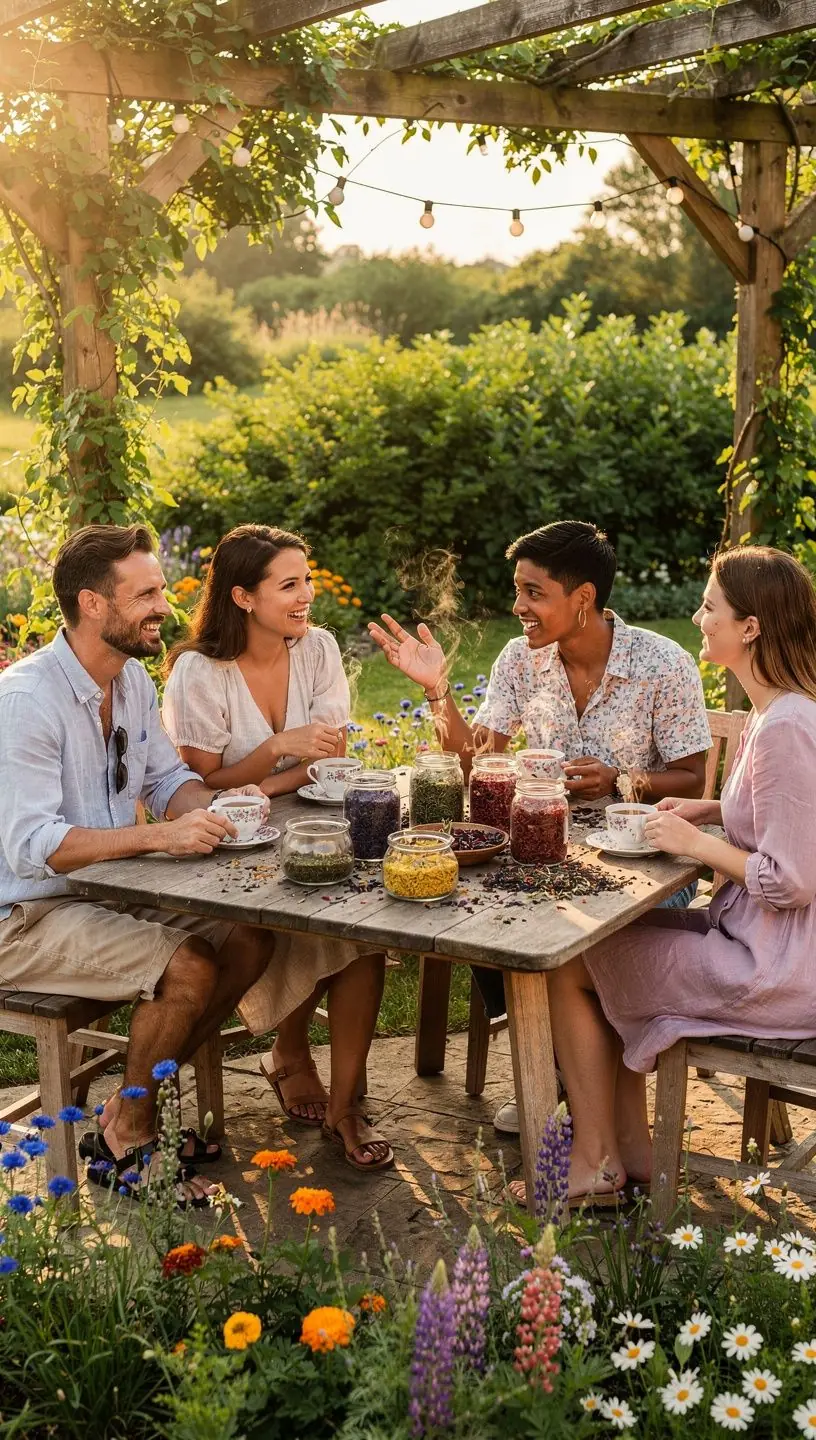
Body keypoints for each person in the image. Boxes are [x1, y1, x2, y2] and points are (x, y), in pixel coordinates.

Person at [368, 520, 711, 1133]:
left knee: (562, 930)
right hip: (542, 847)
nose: (518, 606)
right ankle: (555, 1075)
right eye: (518, 591)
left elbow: (693, 778)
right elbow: (475, 759)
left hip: (647, 862)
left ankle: (578, 1085)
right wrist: (437, 689)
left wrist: (622, 780)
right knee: (467, 900)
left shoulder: (664, 663)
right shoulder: (520, 661)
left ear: (582, 599)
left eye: (533, 593)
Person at [513, 544, 816, 1206]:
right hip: (760, 943)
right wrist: (710, 809)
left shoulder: (789, 725)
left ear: (751, 627)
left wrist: (695, 843)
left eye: (710, 607)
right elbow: (782, 818)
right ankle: (631, 1153)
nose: (698, 617)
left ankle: (595, 1164)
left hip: (777, 968)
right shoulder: (778, 711)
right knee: (598, 945)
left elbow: (793, 881)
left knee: (567, 964)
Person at [0, 524, 276, 1206]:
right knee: (187, 965)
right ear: (94, 604)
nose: (165, 607)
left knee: (250, 935)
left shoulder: (130, 684)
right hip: (26, 914)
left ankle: (127, 1101)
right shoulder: (25, 702)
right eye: (147, 593)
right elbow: (36, 844)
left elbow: (166, 782)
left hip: (107, 892)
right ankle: (132, 1136)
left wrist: (221, 805)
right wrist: (159, 839)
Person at [163, 524, 393, 1171]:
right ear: (243, 596)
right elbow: (199, 784)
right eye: (289, 584)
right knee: (311, 922)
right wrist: (278, 751)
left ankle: (347, 1106)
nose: (307, 595)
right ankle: (290, 1054)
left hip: (311, 827)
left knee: (358, 935)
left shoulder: (316, 649)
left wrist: (268, 776)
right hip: (222, 852)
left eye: (308, 580)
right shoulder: (197, 673)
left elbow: (332, 753)